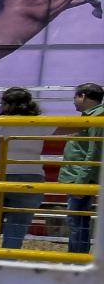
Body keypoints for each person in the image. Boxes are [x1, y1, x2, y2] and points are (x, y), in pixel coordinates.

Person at [0, 87, 45, 251]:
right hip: (30, 177)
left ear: (4, 104)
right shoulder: (40, 123)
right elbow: (75, 127)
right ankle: (7, 263)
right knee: (17, 228)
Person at [59, 82, 103, 256]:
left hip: (81, 176)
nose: (74, 102)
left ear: (83, 96)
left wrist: (81, 181)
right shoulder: (93, 116)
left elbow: (94, 152)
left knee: (77, 221)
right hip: (80, 175)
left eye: (76, 97)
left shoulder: (97, 117)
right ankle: (77, 256)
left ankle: (77, 257)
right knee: (78, 220)